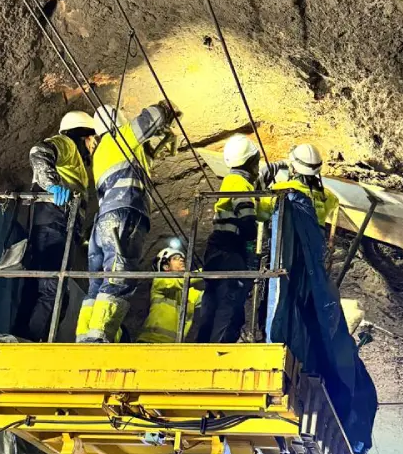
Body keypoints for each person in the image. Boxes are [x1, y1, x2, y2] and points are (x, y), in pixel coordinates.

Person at [76, 101, 176, 343]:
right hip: (125, 213)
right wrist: (166, 110)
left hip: (102, 225)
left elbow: (137, 161)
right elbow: (153, 115)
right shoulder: (121, 136)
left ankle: (84, 336)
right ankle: (99, 336)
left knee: (97, 284)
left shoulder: (100, 153)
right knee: (119, 276)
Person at [14, 110, 101, 341]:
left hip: (57, 226)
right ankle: (32, 343)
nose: (94, 145)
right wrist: (52, 185)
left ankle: (22, 337)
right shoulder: (68, 145)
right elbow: (39, 151)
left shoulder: (77, 164)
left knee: (41, 287)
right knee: (54, 289)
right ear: (83, 134)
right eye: (92, 139)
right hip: (54, 223)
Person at [196, 133, 273, 343]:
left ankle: (202, 347)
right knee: (229, 305)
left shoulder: (232, 181)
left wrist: (260, 190)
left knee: (212, 303)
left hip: (217, 248)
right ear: (250, 162)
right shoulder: (237, 182)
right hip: (229, 249)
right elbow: (248, 221)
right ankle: (219, 350)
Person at [137, 242, 204, 343]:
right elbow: (182, 281)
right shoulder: (159, 281)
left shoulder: (190, 294)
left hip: (172, 346)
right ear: (166, 267)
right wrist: (206, 270)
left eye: (181, 258)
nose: (181, 260)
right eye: (175, 258)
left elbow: (208, 297)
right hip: (150, 342)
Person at [269, 143, 339, 225]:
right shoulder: (328, 197)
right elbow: (333, 202)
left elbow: (261, 215)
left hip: (286, 233)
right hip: (314, 233)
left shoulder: (278, 189)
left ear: (294, 169)